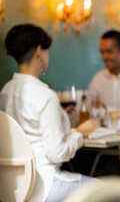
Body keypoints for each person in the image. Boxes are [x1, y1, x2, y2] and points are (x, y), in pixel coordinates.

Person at [0, 24, 99, 202]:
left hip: (13, 187)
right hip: (45, 183)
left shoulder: (6, 91)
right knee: (111, 190)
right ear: (39, 51)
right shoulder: (46, 95)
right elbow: (57, 153)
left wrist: (60, 116)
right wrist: (80, 133)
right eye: (47, 51)